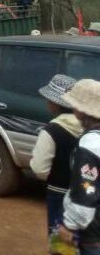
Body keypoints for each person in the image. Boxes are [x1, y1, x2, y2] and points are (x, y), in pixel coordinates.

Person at [31, 74, 82, 239]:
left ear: (54, 103)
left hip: (59, 193)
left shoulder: (51, 131)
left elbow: (39, 169)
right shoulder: (92, 129)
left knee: (61, 242)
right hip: (87, 194)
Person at [56, 79, 100, 252]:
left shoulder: (90, 144)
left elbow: (86, 190)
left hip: (92, 230)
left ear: (82, 110)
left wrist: (69, 225)